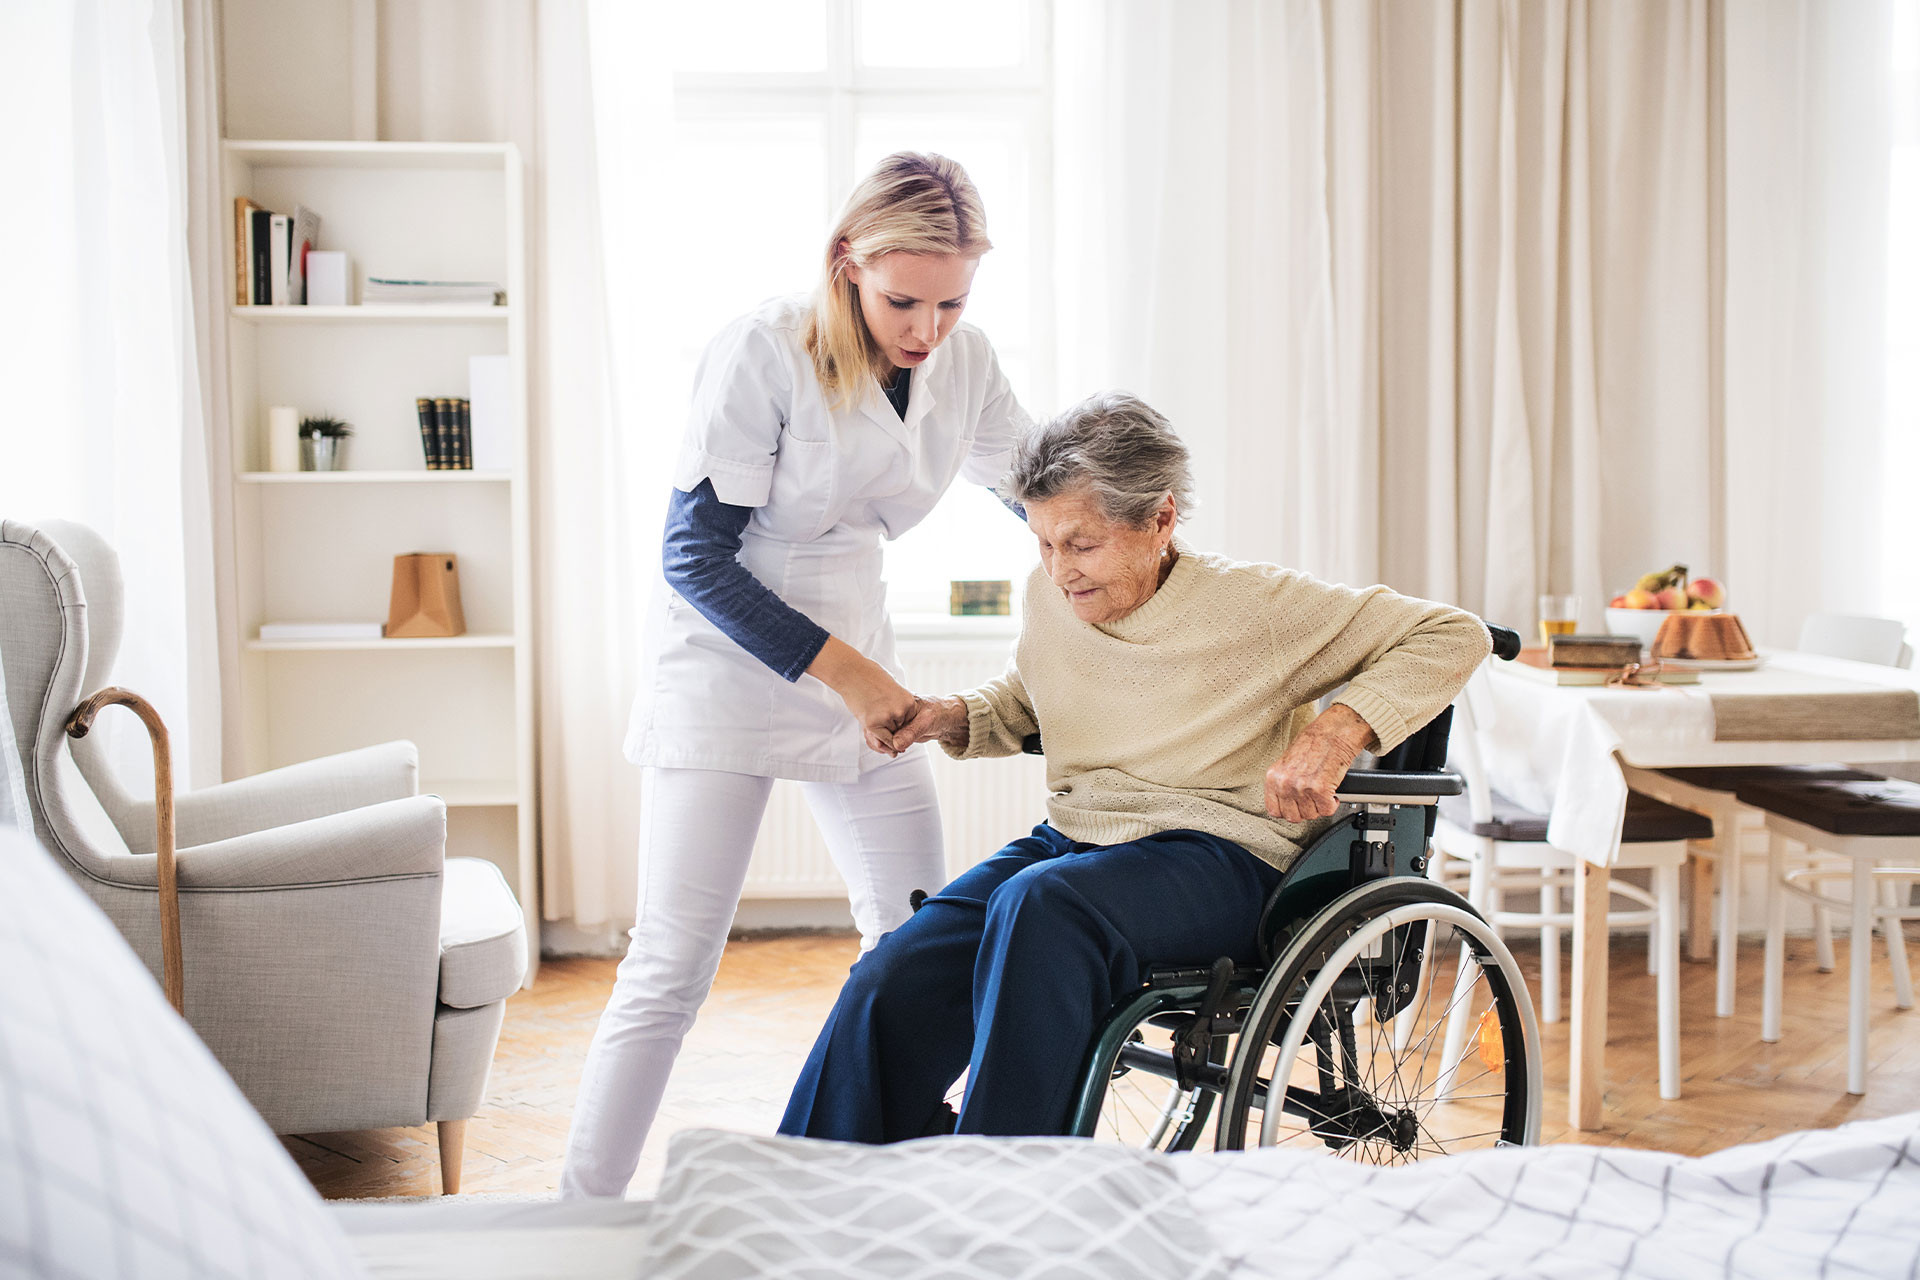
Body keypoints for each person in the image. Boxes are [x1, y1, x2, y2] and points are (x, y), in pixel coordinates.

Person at [778, 392, 1491, 1142]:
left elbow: (1455, 633)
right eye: (1044, 544)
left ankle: (1000, 1196)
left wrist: (1339, 731)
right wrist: (951, 716)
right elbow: (1036, 695)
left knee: (1041, 908)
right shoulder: (1053, 595)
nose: (1059, 571)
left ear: (1159, 520)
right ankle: (814, 1186)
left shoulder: (1256, 607)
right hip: (1080, 844)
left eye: (1081, 545)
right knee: (897, 973)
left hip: (1220, 854)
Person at [561, 153, 1031, 1197]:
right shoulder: (762, 351)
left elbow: (1039, 489)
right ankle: (582, 1209)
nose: (926, 327)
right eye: (903, 298)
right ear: (845, 264)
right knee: (673, 966)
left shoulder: (966, 360)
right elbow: (695, 558)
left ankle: (889, 1185)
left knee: (913, 943)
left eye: (952, 301)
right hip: (726, 667)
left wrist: (1140, 538)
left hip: (861, 650)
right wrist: (851, 675)